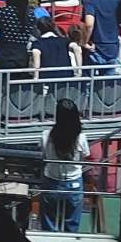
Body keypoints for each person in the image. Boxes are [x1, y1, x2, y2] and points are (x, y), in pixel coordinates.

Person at [40, 98, 87, 232]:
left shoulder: (46, 135)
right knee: (72, 223)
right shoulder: (81, 137)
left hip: (51, 180)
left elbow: (43, 155)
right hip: (74, 182)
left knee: (48, 221)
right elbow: (84, 156)